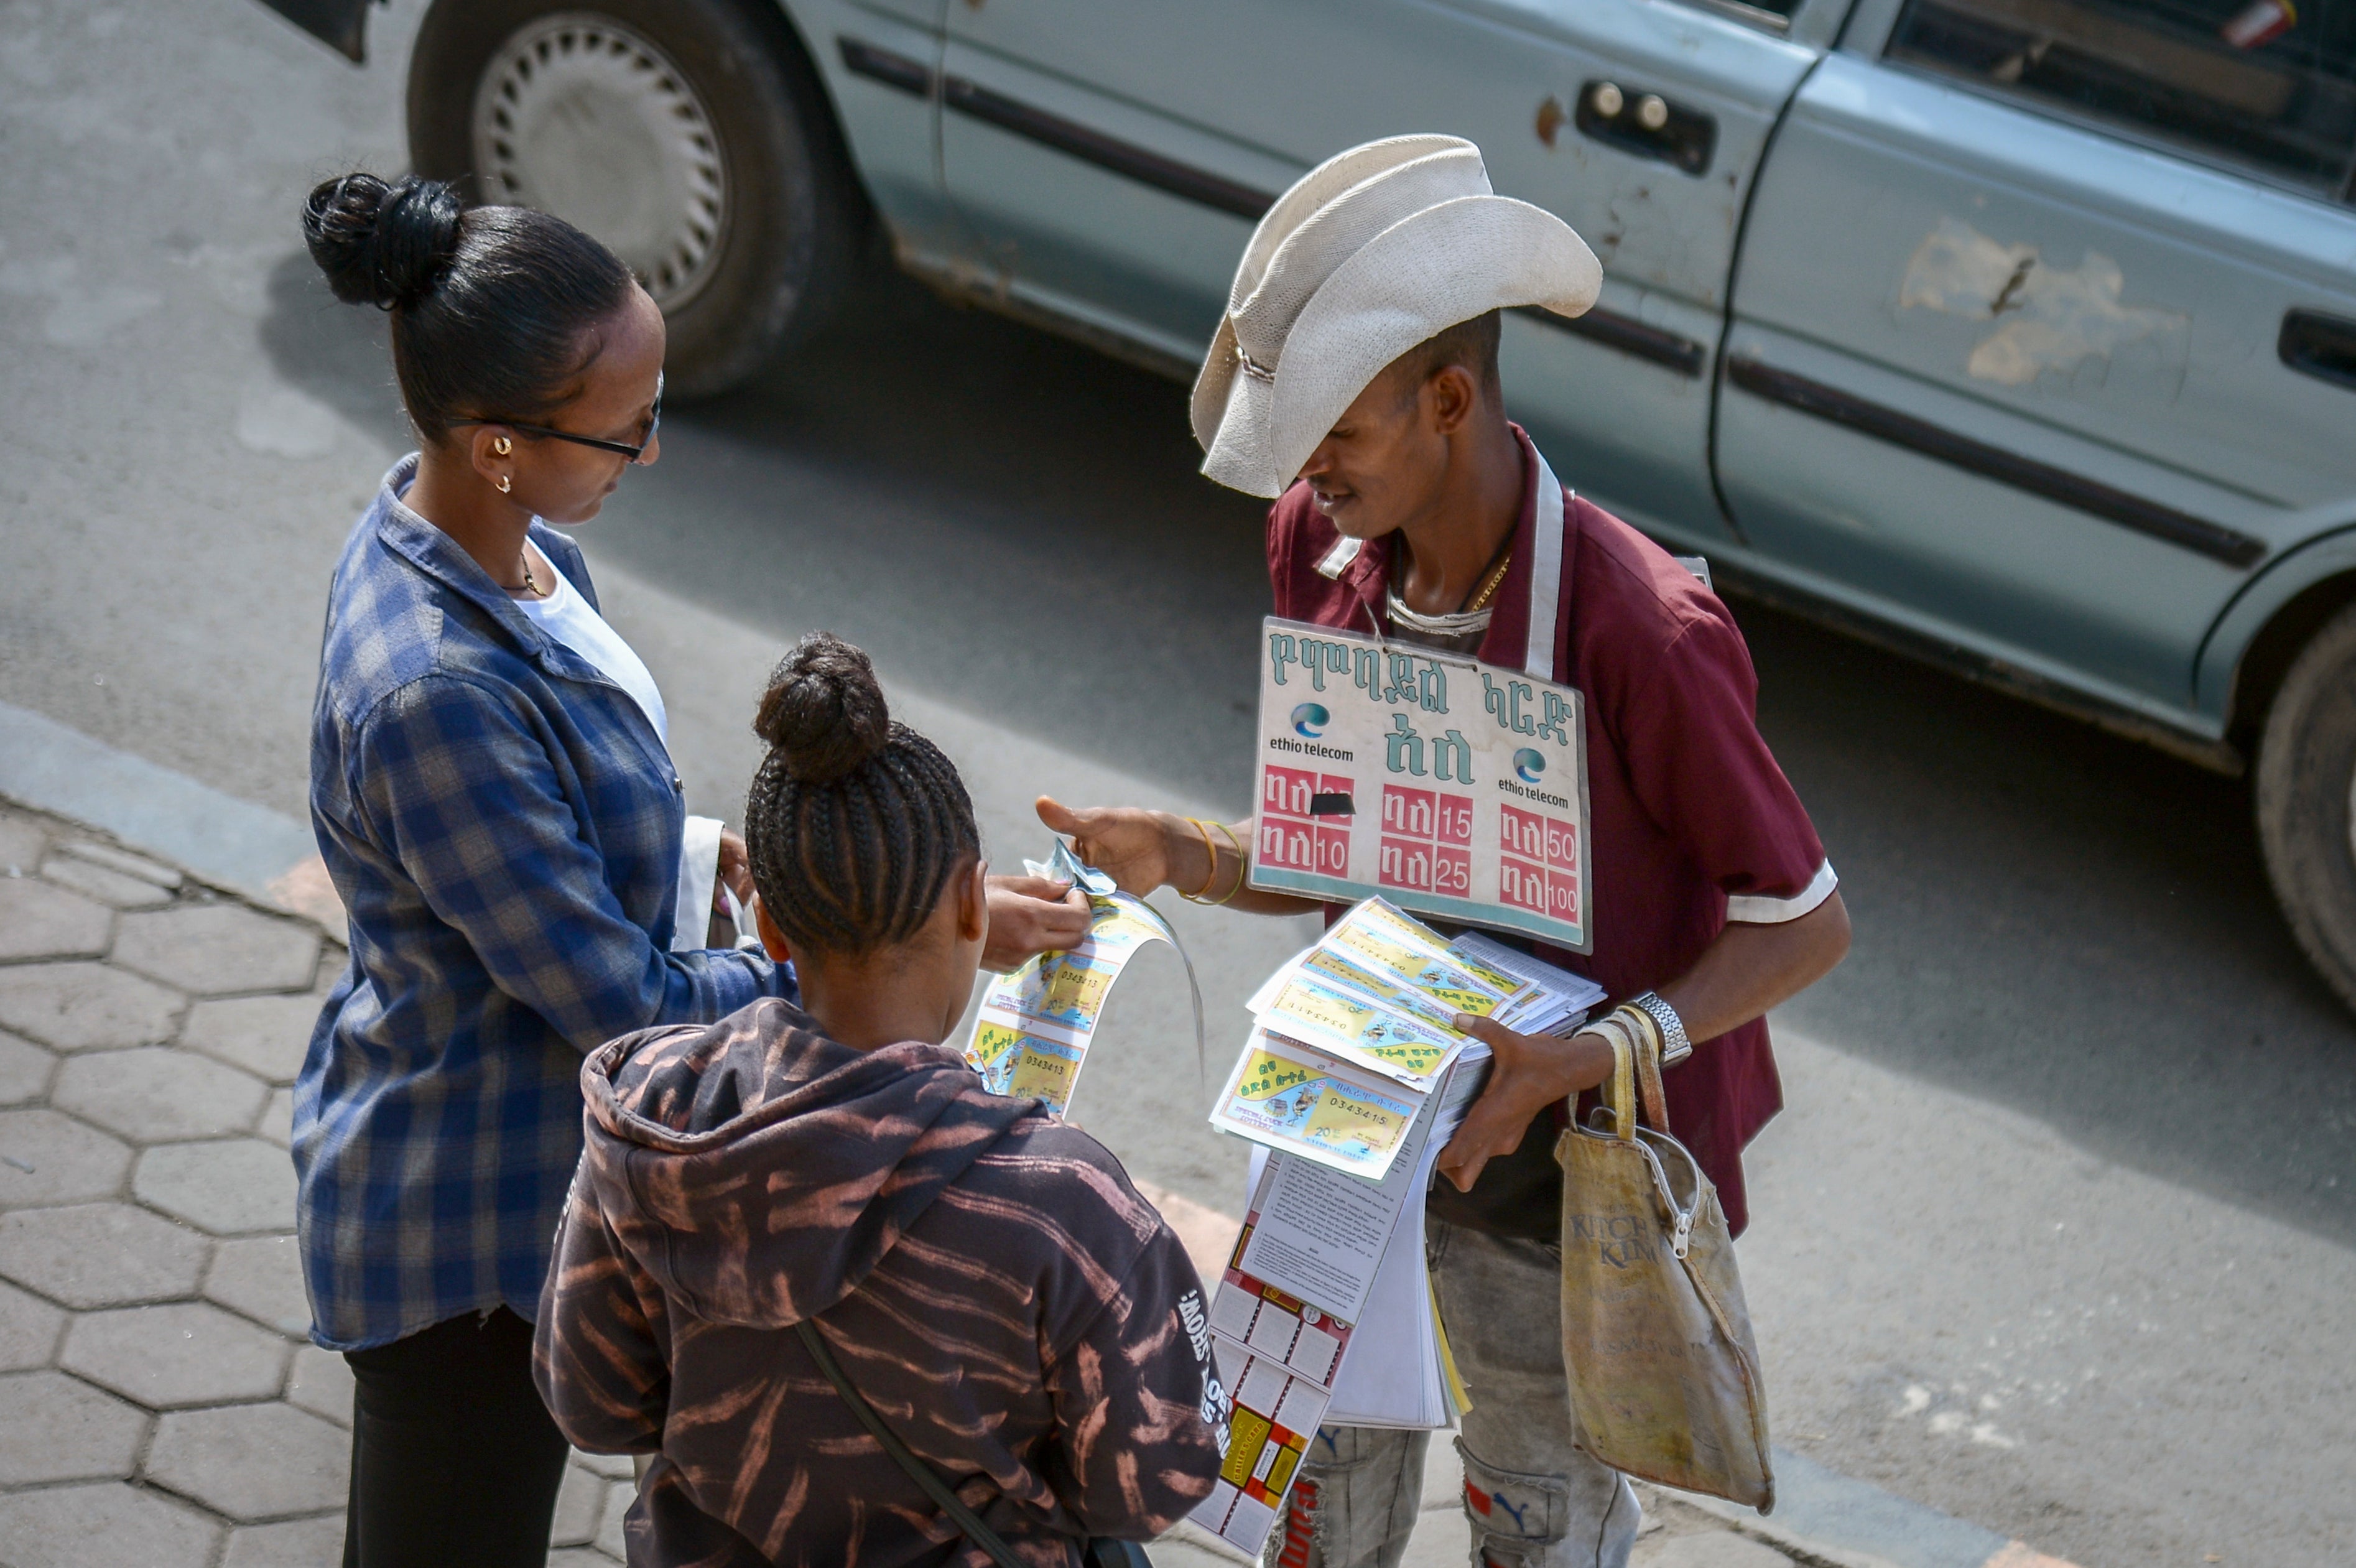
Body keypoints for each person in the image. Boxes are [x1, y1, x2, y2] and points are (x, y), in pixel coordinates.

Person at [1036, 136, 1851, 1568]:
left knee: (1533, 1518)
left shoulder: (1645, 633)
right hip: (1360, 1152)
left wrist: (1584, 1056)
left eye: (1336, 436)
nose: (1306, 473)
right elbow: (1344, 833)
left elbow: (1803, 922)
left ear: (1449, 400)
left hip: (1560, 1196)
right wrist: (1197, 851)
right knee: (1316, 1500)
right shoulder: (1319, 543)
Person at [296, 174, 1088, 1568]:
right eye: (626, 425)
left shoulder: (524, 559)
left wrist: (793, 883)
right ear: (492, 444)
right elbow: (627, 1001)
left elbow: (593, 835)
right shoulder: (435, 694)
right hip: (466, 1234)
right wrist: (863, 946)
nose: (648, 452)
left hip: (533, 1185)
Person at [534, 632, 1224, 1565]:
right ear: (976, 910)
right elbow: (1156, 1480)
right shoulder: (1064, 1206)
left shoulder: (651, 1110)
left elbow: (592, 1399)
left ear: (770, 925)